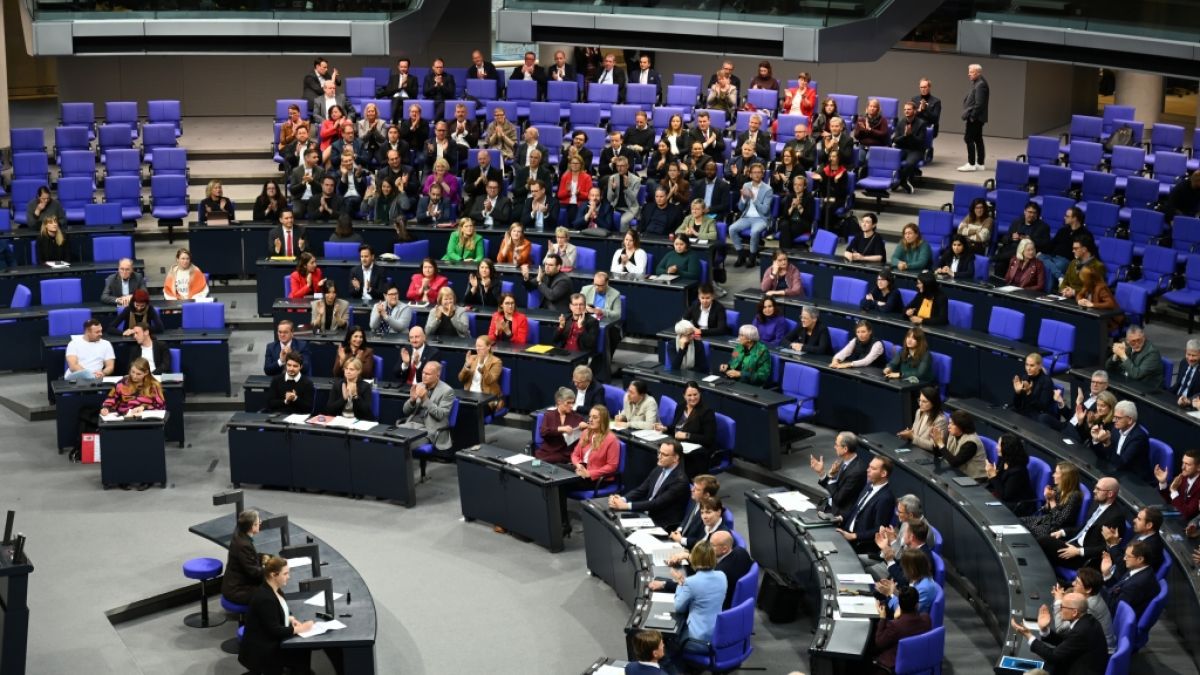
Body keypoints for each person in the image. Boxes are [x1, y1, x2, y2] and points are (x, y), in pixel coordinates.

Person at [237, 555, 315, 675]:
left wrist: (289, 618)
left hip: (267, 641)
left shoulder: (274, 589)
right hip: (263, 650)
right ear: (274, 575)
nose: (289, 577)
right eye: (285, 574)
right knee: (301, 650)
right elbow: (275, 630)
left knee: (302, 649)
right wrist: (302, 628)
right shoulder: (265, 598)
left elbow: (278, 610)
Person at [1009, 592, 1109, 675]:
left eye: (1062, 607)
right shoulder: (1087, 620)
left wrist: (1028, 635)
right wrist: (1044, 629)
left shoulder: (1081, 631)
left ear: (1074, 612)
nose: (1059, 609)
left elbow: (1053, 657)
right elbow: (1067, 641)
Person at [1038, 476, 1126, 570]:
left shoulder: (1116, 517)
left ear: (1110, 494)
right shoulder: (1097, 502)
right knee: (1045, 537)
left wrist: (1079, 551)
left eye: (1098, 489)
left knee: (1044, 542)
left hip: (1083, 557)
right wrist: (1062, 532)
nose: (1094, 491)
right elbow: (1084, 528)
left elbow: (1107, 548)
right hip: (1073, 543)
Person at [610, 439, 690, 530]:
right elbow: (641, 490)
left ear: (676, 458)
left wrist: (625, 506)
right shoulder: (659, 468)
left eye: (664, 455)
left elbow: (657, 503)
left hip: (663, 523)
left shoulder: (680, 481)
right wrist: (622, 499)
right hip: (648, 513)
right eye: (659, 453)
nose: (659, 457)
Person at [672, 540, 728, 657]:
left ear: (694, 559)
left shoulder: (690, 582)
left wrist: (680, 583)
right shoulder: (722, 576)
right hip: (719, 634)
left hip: (698, 640)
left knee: (669, 641)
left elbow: (679, 608)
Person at [655, 381, 717, 477]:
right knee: (661, 455)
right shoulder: (681, 407)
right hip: (680, 446)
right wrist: (665, 428)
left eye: (695, 394)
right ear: (684, 395)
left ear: (700, 393)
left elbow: (709, 439)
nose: (693, 398)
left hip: (697, 453)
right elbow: (676, 428)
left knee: (673, 464)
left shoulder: (706, 412)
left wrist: (687, 435)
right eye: (689, 395)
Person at [836, 457, 898, 553]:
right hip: (846, 534)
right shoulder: (868, 486)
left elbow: (878, 529)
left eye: (873, 468)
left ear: (883, 474)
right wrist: (841, 518)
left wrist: (854, 536)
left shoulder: (886, 498)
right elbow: (856, 509)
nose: (867, 470)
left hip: (860, 545)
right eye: (869, 466)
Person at [1051, 568, 1116, 654]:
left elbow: (1060, 629)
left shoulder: (1088, 606)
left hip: (1101, 653)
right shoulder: (1092, 595)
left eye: (1077, 583)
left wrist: (1058, 601)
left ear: (1088, 589)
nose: (1073, 584)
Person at [873, 586, 932, 674]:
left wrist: (882, 618)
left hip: (895, 666)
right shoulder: (927, 619)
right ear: (917, 604)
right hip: (919, 663)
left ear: (899, 606)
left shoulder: (895, 625)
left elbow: (879, 642)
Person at [1088, 400, 1151, 480]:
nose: (1114, 420)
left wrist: (1107, 443)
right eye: (1114, 417)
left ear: (1130, 420)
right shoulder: (1116, 429)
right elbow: (1104, 455)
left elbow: (1121, 464)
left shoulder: (1139, 437)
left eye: (1118, 418)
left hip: (1134, 479)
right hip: (1117, 470)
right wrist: (1096, 439)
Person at [399, 361, 454, 449]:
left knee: (405, 445)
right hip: (411, 425)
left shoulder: (447, 391)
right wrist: (412, 400)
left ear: (437, 375)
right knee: (390, 440)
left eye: (428, 374)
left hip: (428, 430)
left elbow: (440, 415)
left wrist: (425, 399)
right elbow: (405, 411)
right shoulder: (419, 385)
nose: (424, 375)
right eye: (423, 372)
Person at [1022, 462, 1084, 538]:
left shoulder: (1074, 496)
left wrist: (1051, 501)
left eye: (1056, 473)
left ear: (1065, 477)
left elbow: (1059, 521)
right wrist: (1048, 499)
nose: (1053, 475)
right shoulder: (1058, 489)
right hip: (1046, 521)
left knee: (1026, 532)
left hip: (1055, 530)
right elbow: (1045, 511)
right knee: (1019, 522)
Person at [729, 162, 773, 268]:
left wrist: (753, 197)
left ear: (762, 174)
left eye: (759, 172)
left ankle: (752, 258)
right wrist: (743, 198)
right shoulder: (746, 185)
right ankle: (741, 255)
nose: (756, 175)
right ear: (750, 174)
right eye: (754, 172)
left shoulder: (768, 189)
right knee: (731, 229)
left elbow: (765, 210)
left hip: (761, 218)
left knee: (754, 232)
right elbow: (740, 208)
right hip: (747, 216)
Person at [1103, 506, 1166, 580]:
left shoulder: (1151, 547)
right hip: (1112, 570)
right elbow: (1124, 556)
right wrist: (1112, 542)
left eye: (1139, 519)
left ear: (1149, 525)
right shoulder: (1141, 534)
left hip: (1118, 581)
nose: (1134, 520)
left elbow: (1124, 568)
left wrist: (1113, 545)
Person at [222, 510, 266, 608]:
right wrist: (271, 569)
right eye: (258, 522)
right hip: (237, 590)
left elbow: (248, 559)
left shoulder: (239, 533)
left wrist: (265, 557)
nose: (260, 524)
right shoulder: (244, 545)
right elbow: (255, 573)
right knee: (269, 594)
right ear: (252, 526)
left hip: (233, 583)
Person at [570, 404, 621, 487]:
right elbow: (575, 454)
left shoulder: (611, 439)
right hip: (582, 468)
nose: (590, 420)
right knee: (558, 470)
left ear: (603, 420)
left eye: (595, 417)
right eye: (590, 417)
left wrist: (589, 473)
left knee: (562, 484)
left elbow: (612, 466)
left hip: (597, 477)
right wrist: (578, 465)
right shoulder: (586, 432)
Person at [995, 201, 1052, 274]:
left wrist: (1031, 240)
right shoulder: (1016, 222)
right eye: (1029, 212)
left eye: (1034, 213)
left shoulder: (1043, 227)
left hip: (1026, 253)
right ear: (1024, 211)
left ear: (1037, 214)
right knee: (1000, 265)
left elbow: (1046, 245)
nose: (1031, 215)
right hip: (1011, 249)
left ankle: (994, 258)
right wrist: (1011, 237)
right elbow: (1004, 239)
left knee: (1016, 252)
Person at [986, 433, 1037, 514]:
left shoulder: (1018, 471)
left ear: (1007, 448)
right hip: (1002, 497)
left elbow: (1005, 496)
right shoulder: (1003, 459)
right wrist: (991, 475)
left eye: (999, 445)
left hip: (1016, 505)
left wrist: (993, 476)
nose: (996, 447)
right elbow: (995, 485)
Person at [930, 409, 988, 480]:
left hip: (975, 479)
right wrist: (936, 443)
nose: (948, 426)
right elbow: (940, 455)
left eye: (952, 424)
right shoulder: (953, 434)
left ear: (962, 426)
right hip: (959, 473)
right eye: (949, 423)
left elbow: (955, 462)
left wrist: (940, 443)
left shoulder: (971, 443)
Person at [99, 357, 164, 418]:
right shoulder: (122, 383)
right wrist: (106, 408)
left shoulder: (153, 385)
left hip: (145, 419)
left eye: (138, 374)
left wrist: (144, 407)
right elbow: (111, 399)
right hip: (124, 417)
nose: (134, 376)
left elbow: (161, 406)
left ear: (146, 373)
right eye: (132, 372)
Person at [537, 388, 585, 465]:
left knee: (541, 464)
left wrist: (585, 428)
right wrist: (560, 429)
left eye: (573, 403)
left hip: (564, 454)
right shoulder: (549, 415)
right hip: (547, 451)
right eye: (568, 403)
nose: (571, 406)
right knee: (535, 465)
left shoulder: (578, 418)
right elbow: (543, 432)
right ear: (559, 402)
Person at [1012, 351, 1058, 427]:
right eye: (1026, 365)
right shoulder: (1025, 377)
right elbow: (1017, 405)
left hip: (1038, 416)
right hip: (1025, 412)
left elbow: (1042, 407)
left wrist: (1029, 393)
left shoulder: (1047, 382)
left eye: (1032, 365)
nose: (1028, 368)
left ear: (1040, 366)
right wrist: (1017, 393)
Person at [958, 64, 989, 171]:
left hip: (976, 118)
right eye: (969, 71)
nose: (969, 74)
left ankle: (971, 164)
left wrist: (972, 116)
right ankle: (980, 164)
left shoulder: (980, 85)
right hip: (976, 118)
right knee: (977, 139)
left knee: (968, 138)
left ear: (978, 73)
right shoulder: (977, 82)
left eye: (971, 72)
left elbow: (979, 104)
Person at [892, 102, 928, 193]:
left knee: (909, 163)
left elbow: (921, 142)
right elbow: (895, 139)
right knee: (892, 161)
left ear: (915, 111)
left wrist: (911, 135)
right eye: (905, 109)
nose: (906, 111)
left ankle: (901, 180)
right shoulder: (901, 122)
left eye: (909, 109)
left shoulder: (921, 124)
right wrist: (905, 136)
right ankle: (901, 180)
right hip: (902, 148)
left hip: (915, 150)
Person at [896, 386, 947, 451]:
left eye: (924, 402)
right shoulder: (919, 411)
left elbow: (934, 446)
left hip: (928, 455)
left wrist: (912, 436)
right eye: (919, 400)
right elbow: (915, 433)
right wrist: (908, 434)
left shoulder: (941, 420)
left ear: (934, 402)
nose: (920, 404)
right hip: (915, 449)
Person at [1157, 449, 1200, 521]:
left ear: (1198, 467)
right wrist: (1163, 482)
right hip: (1177, 511)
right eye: (1183, 463)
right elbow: (1170, 500)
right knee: (1148, 511)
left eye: (1188, 464)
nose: (1183, 467)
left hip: (1189, 522)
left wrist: (1173, 490)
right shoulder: (1183, 477)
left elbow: (1187, 513)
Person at [777, 174, 815, 250]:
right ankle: (788, 251)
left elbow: (809, 217)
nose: (796, 187)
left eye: (800, 185)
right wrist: (792, 207)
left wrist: (799, 206)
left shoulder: (809, 198)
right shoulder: (790, 196)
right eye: (795, 184)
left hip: (802, 222)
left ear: (804, 187)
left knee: (786, 232)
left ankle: (783, 252)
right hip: (789, 221)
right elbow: (785, 216)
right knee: (784, 225)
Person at [605, 157, 642, 231]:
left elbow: (633, 200)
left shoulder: (636, 180)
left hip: (630, 208)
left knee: (623, 221)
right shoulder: (612, 178)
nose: (619, 168)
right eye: (618, 166)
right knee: (605, 218)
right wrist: (613, 189)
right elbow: (609, 199)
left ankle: (623, 240)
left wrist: (626, 188)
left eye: (622, 166)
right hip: (615, 207)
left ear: (627, 166)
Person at [853, 98, 890, 169]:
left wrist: (870, 130)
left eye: (874, 107)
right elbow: (856, 136)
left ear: (878, 109)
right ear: (867, 108)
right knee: (859, 160)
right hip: (863, 146)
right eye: (870, 106)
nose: (872, 108)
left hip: (876, 146)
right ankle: (859, 175)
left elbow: (883, 134)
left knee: (868, 159)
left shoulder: (882, 120)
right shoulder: (861, 119)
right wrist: (863, 130)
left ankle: (865, 175)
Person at [557, 155, 593, 227]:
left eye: (577, 163)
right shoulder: (565, 176)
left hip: (580, 203)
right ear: (570, 164)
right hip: (566, 203)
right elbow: (559, 195)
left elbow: (589, 195)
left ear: (581, 165)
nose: (574, 165)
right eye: (573, 163)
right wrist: (567, 192)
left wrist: (579, 193)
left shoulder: (587, 177)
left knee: (575, 211)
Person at [289, 148, 326, 217]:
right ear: (307, 158)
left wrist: (312, 182)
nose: (317, 159)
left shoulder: (320, 171)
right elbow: (292, 190)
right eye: (314, 157)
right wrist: (302, 183)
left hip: (314, 199)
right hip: (299, 199)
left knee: (318, 214)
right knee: (296, 213)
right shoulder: (296, 171)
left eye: (317, 157)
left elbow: (323, 189)